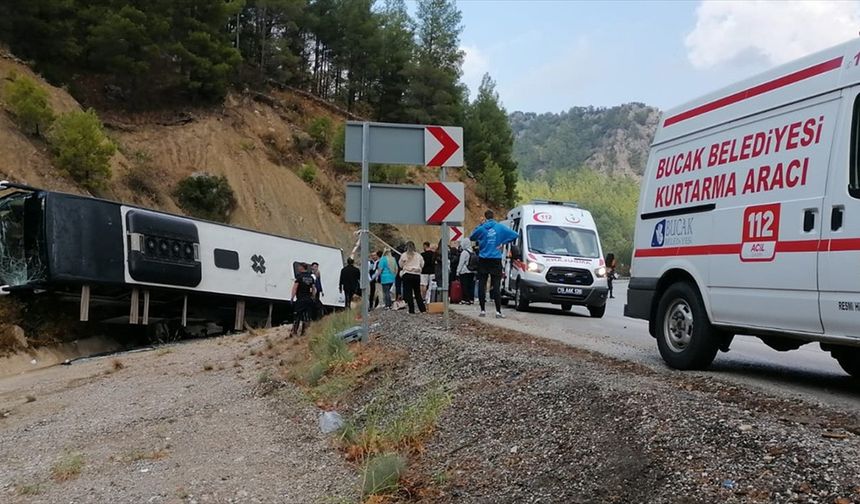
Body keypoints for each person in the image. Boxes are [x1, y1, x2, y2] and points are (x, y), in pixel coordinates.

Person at [470, 209, 519, 318]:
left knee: (482, 284)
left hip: (483, 258)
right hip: (496, 259)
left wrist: (479, 226)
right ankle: (498, 312)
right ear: (493, 216)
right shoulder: (500, 227)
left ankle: (482, 310)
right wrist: (503, 242)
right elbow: (515, 235)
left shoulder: (482, 228)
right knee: (496, 286)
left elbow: (472, 237)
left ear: (485, 217)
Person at [399, 241, 426, 314]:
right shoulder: (418, 255)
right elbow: (422, 264)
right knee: (417, 293)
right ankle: (422, 309)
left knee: (409, 293)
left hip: (407, 274)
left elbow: (401, 265)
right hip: (416, 275)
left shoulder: (404, 255)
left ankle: (411, 310)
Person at [291, 262, 317, 336]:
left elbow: (295, 288)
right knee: (306, 317)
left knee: (297, 315)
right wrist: (313, 297)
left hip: (300, 299)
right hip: (308, 299)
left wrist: (292, 298)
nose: (298, 268)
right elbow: (314, 289)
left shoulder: (299, 277)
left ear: (302, 268)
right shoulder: (311, 278)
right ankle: (304, 333)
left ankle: (294, 332)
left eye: (299, 267)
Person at [456, 238, 476, 305]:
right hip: (472, 271)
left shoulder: (464, 252)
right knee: (470, 286)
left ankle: (465, 299)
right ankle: (471, 299)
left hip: (464, 271)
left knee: (464, 286)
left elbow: (461, 263)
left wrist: (457, 271)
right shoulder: (472, 251)